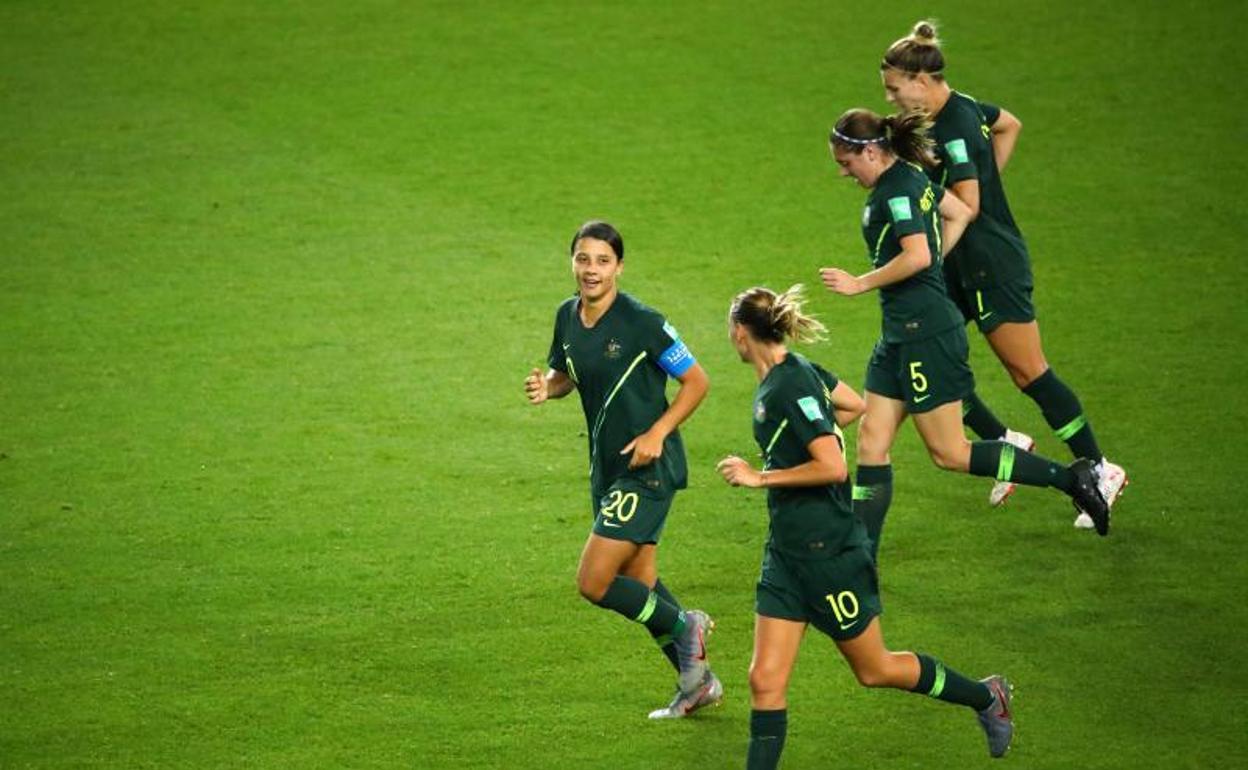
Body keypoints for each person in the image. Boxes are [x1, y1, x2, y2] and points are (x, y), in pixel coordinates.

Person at [717, 285, 1014, 766]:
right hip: (788, 555)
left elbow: (833, 467)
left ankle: (986, 697)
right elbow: (854, 405)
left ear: (739, 333)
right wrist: (811, 439)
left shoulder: (789, 385)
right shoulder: (798, 374)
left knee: (875, 669)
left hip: (830, 555)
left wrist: (761, 477)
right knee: (764, 680)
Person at [818, 107, 1111, 547]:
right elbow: (957, 212)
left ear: (872, 152)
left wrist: (861, 282)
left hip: (926, 333)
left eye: (846, 162)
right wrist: (934, 261)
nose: (844, 174)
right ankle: (861, 554)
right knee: (871, 445)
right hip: (899, 333)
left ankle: (1072, 478)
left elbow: (916, 255)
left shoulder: (892, 196)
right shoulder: (914, 178)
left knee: (950, 453)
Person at [879, 20, 1127, 528]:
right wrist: (990, 179)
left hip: (989, 262)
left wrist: (931, 251)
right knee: (927, 350)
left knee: (1028, 372)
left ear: (920, 80)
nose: (890, 98)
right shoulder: (961, 106)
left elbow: (966, 208)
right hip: (964, 261)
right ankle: (1002, 442)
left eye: (893, 87)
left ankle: (1102, 469)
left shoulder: (953, 131)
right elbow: (1010, 122)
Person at [524, 220, 722, 719]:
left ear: (619, 267)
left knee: (594, 582)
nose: (591, 270)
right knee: (642, 580)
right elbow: (567, 372)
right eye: (583, 259)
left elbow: (697, 382)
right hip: (607, 469)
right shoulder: (567, 316)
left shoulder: (643, 322)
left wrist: (658, 432)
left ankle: (686, 628)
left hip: (649, 467)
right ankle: (697, 682)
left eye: (602, 261)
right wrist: (549, 387)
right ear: (572, 261)